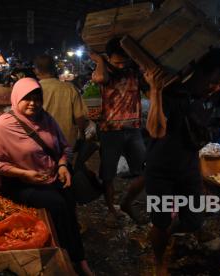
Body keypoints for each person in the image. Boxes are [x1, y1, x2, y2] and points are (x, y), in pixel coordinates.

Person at [144, 48, 220, 274]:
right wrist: (155, 90)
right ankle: (158, 261)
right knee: (160, 221)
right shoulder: (172, 92)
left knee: (195, 220)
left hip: (189, 166)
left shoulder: (214, 96)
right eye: (214, 81)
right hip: (161, 169)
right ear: (199, 72)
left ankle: (167, 233)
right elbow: (156, 131)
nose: (216, 87)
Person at [0, 78, 92, 276]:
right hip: (20, 183)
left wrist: (63, 165)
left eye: (37, 98)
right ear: (16, 98)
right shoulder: (2, 125)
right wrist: (24, 174)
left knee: (69, 207)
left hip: (52, 176)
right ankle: (66, 259)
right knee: (57, 205)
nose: (33, 103)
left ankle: (79, 258)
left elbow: (64, 147)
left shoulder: (46, 118)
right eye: (26, 98)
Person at [89, 37, 146, 223]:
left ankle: (127, 203)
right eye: (117, 62)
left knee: (145, 170)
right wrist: (100, 61)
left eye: (124, 61)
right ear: (108, 58)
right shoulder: (105, 71)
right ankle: (111, 211)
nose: (121, 65)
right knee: (108, 175)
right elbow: (99, 78)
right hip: (110, 130)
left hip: (134, 129)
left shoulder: (134, 71)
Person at [34, 54, 89, 151]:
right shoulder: (69, 88)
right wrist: (82, 136)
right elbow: (79, 117)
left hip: (41, 143)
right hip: (67, 142)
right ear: (54, 68)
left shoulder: (33, 89)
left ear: (37, 70)